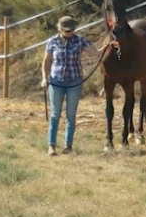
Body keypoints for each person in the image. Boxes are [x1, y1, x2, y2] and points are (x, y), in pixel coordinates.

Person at [41, 16, 108, 156]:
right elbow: (46, 62)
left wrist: (109, 45)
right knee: (55, 115)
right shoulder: (52, 42)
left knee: (71, 115)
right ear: (60, 29)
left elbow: (95, 53)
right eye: (67, 30)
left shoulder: (80, 40)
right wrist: (44, 78)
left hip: (74, 82)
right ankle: (51, 146)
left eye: (72, 30)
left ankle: (68, 146)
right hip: (56, 82)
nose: (70, 32)